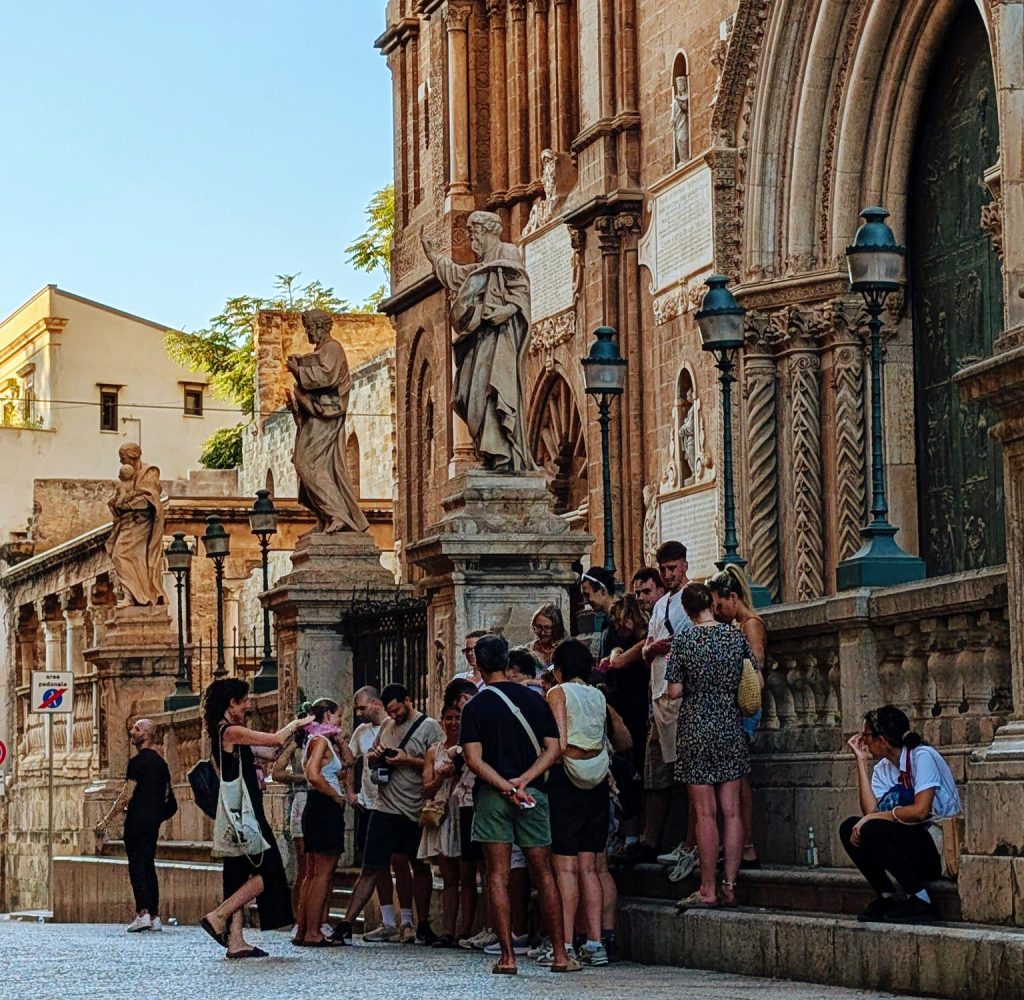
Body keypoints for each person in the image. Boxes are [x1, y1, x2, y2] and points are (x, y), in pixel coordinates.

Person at [460, 634, 581, 974]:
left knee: (497, 876)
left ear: (480, 665)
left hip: (492, 795)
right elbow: (554, 748)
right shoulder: (534, 700)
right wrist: (525, 781)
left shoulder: (475, 707)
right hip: (534, 794)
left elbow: (472, 758)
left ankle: (507, 956)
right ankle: (560, 954)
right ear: (507, 662)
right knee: (544, 873)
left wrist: (505, 786)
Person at [199, 679, 311, 958]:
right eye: (243, 701)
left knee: (238, 875)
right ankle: (218, 916)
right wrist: (295, 724)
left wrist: (297, 739)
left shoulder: (230, 733)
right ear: (231, 704)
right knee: (271, 871)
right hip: (245, 812)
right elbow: (273, 739)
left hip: (241, 811)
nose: (247, 705)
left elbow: (272, 752)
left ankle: (236, 940)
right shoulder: (229, 731)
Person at [333, 684, 443, 946]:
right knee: (371, 867)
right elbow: (371, 760)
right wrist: (376, 756)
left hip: (415, 808)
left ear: (409, 700)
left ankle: (422, 923)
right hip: (384, 808)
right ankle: (346, 924)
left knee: (419, 866)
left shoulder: (429, 727)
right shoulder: (386, 727)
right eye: (390, 712)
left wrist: (407, 760)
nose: (394, 716)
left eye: (398, 710)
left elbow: (439, 765)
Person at [666, 583, 752, 909]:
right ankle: (730, 884)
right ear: (712, 605)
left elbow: (674, 691)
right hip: (730, 725)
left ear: (688, 611)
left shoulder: (685, 640)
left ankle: (707, 888)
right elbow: (752, 680)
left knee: (705, 813)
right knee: (732, 811)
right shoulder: (734, 636)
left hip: (696, 727)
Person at [841, 705, 962, 923]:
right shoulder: (882, 769)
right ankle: (887, 895)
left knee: (871, 826)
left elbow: (920, 811)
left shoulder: (922, 756)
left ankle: (921, 899)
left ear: (882, 740)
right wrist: (860, 761)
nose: (863, 741)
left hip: (937, 848)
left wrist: (874, 818)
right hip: (908, 842)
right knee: (850, 827)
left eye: (866, 735)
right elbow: (870, 813)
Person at [622, 540, 693, 869]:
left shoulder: (691, 600)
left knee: (690, 774)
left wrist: (666, 646)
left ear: (684, 566)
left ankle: (690, 841)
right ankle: (650, 840)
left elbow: (694, 639)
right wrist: (654, 648)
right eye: (664, 569)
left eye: (672, 568)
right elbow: (648, 649)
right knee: (655, 774)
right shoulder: (662, 605)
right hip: (658, 697)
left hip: (682, 696)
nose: (668, 574)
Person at [546, 639, 612, 967]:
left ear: (558, 669)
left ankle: (567, 943)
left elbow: (558, 742)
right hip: (596, 779)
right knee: (590, 867)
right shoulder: (598, 695)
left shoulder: (558, 693)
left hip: (567, 781)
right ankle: (597, 943)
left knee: (566, 867)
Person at [709, 566, 768, 869]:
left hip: (743, 708)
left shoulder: (751, 624)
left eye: (719, 604)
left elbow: (754, 666)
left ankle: (747, 845)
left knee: (739, 779)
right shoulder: (737, 625)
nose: (717, 612)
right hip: (734, 707)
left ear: (733, 597)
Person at [95, 718, 173, 933]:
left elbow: (126, 795)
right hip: (153, 822)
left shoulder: (137, 763)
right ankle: (155, 916)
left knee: (137, 866)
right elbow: (167, 794)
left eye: (137, 729)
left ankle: (142, 913)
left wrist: (106, 820)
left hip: (137, 821)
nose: (132, 731)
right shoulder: (161, 763)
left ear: (147, 734)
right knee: (149, 865)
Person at [294, 698, 355, 946]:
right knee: (322, 875)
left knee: (311, 874)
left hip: (314, 807)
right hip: (324, 806)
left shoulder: (315, 740)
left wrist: (339, 739)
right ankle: (313, 932)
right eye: (338, 715)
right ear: (328, 715)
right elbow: (312, 774)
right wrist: (335, 795)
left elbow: (349, 762)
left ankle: (303, 930)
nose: (341, 720)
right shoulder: (320, 741)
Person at [418, 694, 475, 947]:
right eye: (449, 718)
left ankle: (466, 930)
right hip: (442, 812)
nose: (453, 722)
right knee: (449, 876)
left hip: (464, 809)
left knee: (468, 874)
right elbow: (426, 789)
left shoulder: (471, 746)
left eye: (458, 718)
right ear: (442, 721)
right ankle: (449, 930)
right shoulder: (434, 751)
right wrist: (443, 776)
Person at [271, 702, 313, 924]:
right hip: (300, 799)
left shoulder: (323, 742)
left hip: (315, 801)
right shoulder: (295, 747)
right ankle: (298, 915)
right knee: (303, 863)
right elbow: (277, 772)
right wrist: (303, 778)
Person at [349, 686, 387, 866]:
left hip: (392, 803)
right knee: (370, 859)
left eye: (362, 708)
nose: (358, 713)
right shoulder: (361, 731)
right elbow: (348, 762)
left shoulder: (393, 727)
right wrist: (350, 792)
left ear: (376, 704)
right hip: (368, 802)